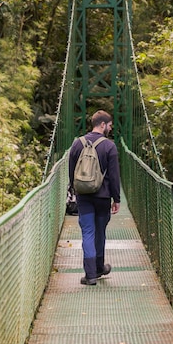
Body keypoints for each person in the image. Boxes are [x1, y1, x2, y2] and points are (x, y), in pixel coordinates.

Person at [68, 110, 121, 285]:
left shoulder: (77, 144)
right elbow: (114, 176)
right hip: (103, 197)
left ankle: (90, 274)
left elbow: (71, 172)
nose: (110, 129)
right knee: (100, 232)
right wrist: (117, 199)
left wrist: (75, 190)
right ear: (103, 125)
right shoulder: (109, 146)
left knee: (88, 233)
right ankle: (99, 267)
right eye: (110, 126)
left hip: (84, 196)